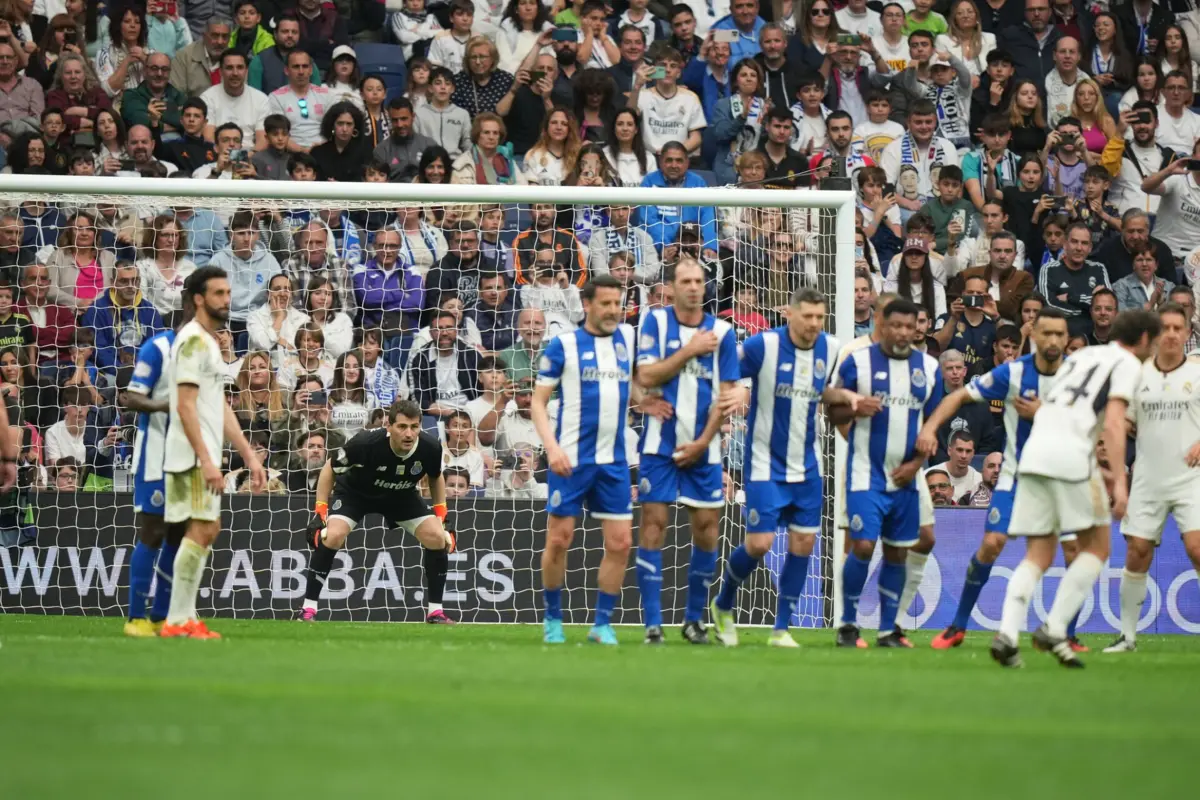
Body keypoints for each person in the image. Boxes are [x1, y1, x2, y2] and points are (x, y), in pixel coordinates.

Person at [992, 308, 1161, 667]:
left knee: (1038, 554)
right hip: (1072, 456)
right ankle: (1054, 628)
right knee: (1098, 548)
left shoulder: (1082, 356)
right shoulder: (1129, 365)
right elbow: (1113, 424)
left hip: (1034, 453)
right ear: (1145, 339)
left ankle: (1007, 634)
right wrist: (1120, 482)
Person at [711, 285, 865, 647]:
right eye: (807, 316)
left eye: (819, 317)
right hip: (764, 463)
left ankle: (781, 629)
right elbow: (724, 367)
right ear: (789, 314)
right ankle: (723, 603)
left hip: (808, 466)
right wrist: (733, 390)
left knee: (803, 543)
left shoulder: (831, 348)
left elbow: (821, 390)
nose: (813, 323)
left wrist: (843, 395)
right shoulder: (762, 345)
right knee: (760, 543)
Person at [918, 307, 1069, 647]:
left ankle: (1068, 634)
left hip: (1062, 478)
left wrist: (1045, 413)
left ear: (1067, 338)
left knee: (1075, 551)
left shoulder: (1077, 376)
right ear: (1034, 336)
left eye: (1060, 334)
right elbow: (959, 395)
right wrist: (930, 426)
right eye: (1047, 333)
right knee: (991, 544)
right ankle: (958, 625)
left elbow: (1091, 422)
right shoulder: (1013, 373)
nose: (1053, 340)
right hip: (1017, 477)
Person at [628, 259, 738, 644]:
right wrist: (690, 350)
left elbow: (727, 396)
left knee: (707, 531)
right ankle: (653, 624)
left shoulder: (722, 332)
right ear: (672, 286)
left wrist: (703, 443)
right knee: (653, 525)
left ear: (705, 286)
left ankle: (694, 620)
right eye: (685, 281)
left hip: (704, 448)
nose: (693, 287)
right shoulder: (656, 322)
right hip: (659, 445)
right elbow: (646, 375)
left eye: (698, 281)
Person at [159, 266, 266, 640]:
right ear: (199, 299)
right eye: (218, 293)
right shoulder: (192, 340)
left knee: (204, 529)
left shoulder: (208, 342)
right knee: (202, 528)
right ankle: (177, 620)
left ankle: (183, 618)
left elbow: (218, 405)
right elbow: (185, 405)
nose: (226, 299)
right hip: (191, 455)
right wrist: (206, 459)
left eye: (228, 292)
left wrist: (248, 455)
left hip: (198, 453)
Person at [532, 274, 638, 645]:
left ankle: (602, 624)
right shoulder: (563, 345)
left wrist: (650, 400)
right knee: (559, 539)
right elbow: (538, 403)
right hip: (571, 459)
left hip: (614, 462)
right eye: (605, 303)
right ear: (587, 304)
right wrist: (552, 448)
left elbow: (635, 386)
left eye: (617, 303)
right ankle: (552, 619)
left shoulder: (628, 340)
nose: (613, 310)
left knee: (621, 543)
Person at [834, 298, 943, 648]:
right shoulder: (858, 361)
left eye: (910, 326)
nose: (903, 332)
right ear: (882, 324)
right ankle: (847, 625)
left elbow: (933, 424)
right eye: (896, 325)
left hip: (906, 478)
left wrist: (915, 465)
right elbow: (833, 409)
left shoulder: (929, 367)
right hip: (865, 473)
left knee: (897, 551)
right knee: (863, 544)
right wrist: (853, 408)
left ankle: (887, 630)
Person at [298, 399, 457, 623]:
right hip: (356, 494)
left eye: (414, 427)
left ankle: (435, 612)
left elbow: (435, 477)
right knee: (332, 536)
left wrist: (442, 517)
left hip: (401, 495)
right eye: (402, 427)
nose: (409, 434)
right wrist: (320, 513)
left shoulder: (430, 447)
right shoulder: (364, 443)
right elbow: (329, 469)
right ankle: (308, 609)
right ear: (388, 426)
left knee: (437, 537)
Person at [1105, 304, 1200, 653]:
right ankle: (1127, 637)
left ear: (1188, 334)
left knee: (1197, 548)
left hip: (1191, 478)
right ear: (1156, 334)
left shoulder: (1198, 372)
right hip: (1148, 477)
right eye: (1166, 328)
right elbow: (1124, 422)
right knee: (1137, 551)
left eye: (1178, 328)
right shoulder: (1137, 374)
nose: (1172, 334)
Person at [119, 295, 191, 636]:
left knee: (178, 534)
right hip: (156, 456)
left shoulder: (205, 352)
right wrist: (168, 405)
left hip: (188, 457)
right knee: (153, 531)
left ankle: (162, 615)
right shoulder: (159, 347)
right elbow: (131, 397)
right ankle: (136, 617)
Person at [1037, 221, 1111, 336]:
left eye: (1084, 243)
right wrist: (1089, 308)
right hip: (1062, 333)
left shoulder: (1098, 269)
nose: (1079, 248)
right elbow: (1049, 306)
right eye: (1074, 242)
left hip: (1096, 334)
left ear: (1090, 248)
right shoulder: (1048, 270)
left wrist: (1070, 298)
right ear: (1065, 244)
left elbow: (1107, 304)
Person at [1141, 150, 1200, 274]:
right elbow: (1146, 187)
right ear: (1193, 156)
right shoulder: (1177, 179)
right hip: (1165, 255)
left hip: (1195, 261)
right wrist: (1168, 171)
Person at [249, 13, 324, 95]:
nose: (290, 35)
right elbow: (255, 96)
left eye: (294, 32)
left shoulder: (307, 60)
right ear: (275, 34)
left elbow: (317, 95)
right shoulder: (260, 60)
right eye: (285, 31)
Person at [169, 17, 230, 100]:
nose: (220, 42)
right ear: (204, 36)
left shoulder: (235, 59)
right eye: (215, 36)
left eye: (225, 37)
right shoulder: (184, 57)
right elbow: (176, 97)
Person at [1113, 246, 1175, 311]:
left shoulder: (1169, 287)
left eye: (1149, 260)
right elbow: (1119, 313)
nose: (1144, 264)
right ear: (1133, 265)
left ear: (1156, 265)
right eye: (1140, 260)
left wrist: (1161, 304)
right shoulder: (1121, 286)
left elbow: (1175, 312)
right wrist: (1150, 304)